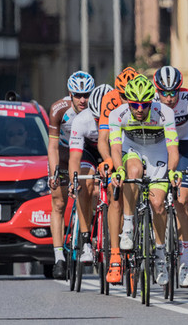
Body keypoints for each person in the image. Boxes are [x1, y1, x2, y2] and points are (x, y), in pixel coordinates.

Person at [109, 75, 182, 287]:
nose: (139, 109)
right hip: (132, 149)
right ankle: (129, 226)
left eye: (144, 104)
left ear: (151, 102)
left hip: (157, 151)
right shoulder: (118, 114)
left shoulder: (164, 113)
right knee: (132, 171)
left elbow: (172, 149)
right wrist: (119, 170)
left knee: (158, 205)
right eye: (134, 105)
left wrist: (172, 171)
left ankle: (160, 255)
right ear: (128, 103)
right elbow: (115, 148)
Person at [153, 65, 188, 287]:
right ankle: (156, 250)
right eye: (164, 92)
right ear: (157, 90)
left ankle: (184, 261)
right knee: (156, 201)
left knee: (182, 200)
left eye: (174, 91)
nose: (170, 97)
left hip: (183, 147)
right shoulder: (151, 101)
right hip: (158, 145)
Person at [48, 70, 95, 279]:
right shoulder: (59, 109)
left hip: (84, 154)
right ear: (70, 93)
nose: (83, 100)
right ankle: (59, 257)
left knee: (87, 189)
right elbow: (52, 146)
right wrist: (54, 171)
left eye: (87, 95)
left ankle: (86, 235)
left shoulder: (96, 108)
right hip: (65, 154)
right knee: (58, 203)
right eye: (78, 95)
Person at [96, 67, 138, 284]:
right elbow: (103, 139)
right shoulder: (110, 100)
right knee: (115, 195)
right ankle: (114, 255)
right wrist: (109, 161)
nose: (124, 99)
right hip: (116, 145)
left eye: (127, 95)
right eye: (121, 94)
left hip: (140, 146)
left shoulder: (143, 98)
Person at [67, 84, 113, 264]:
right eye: (95, 118)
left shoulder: (118, 117)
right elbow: (74, 158)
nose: (98, 122)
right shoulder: (81, 120)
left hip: (110, 151)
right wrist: (73, 181)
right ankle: (86, 241)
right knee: (84, 185)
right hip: (89, 152)